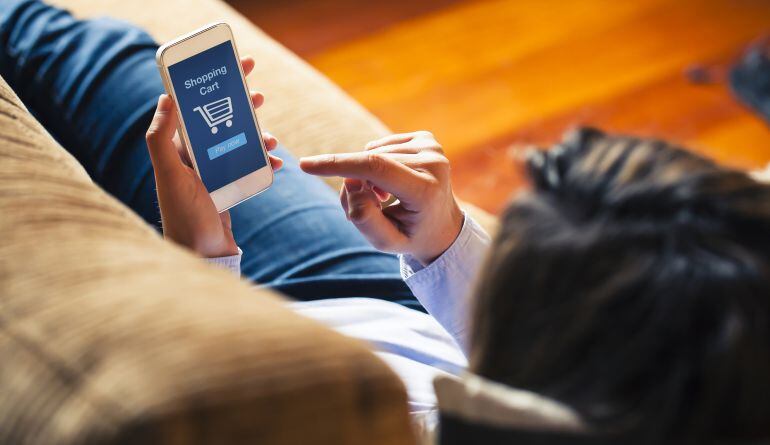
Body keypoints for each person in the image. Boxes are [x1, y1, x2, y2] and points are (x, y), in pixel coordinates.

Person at [2, 1, 769, 440]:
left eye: (509, 265)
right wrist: (444, 243)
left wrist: (203, 262)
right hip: (375, 294)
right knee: (82, 53)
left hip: (270, 325)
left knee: (55, 53)